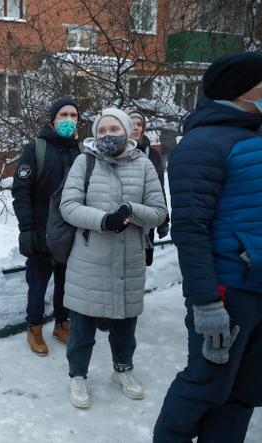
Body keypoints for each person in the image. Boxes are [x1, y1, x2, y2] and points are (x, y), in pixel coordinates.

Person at [154, 52, 262, 443]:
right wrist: (206, 303)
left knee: (246, 390)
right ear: (242, 90)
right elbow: (190, 228)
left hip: (257, 287)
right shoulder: (202, 144)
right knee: (206, 382)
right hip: (227, 290)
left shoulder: (254, 136)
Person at [59, 107, 166, 409]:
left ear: (127, 131)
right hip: (89, 259)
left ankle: (123, 369)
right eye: (102, 131)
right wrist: (104, 220)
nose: (108, 135)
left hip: (129, 259)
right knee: (82, 326)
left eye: (114, 129)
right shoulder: (85, 161)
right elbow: (69, 206)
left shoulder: (144, 164)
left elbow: (159, 212)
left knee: (125, 324)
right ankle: (78, 375)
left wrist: (131, 210)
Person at [11, 97, 82, 355]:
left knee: (66, 280)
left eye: (73, 116)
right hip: (41, 229)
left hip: (70, 230)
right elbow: (21, 191)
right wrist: (27, 228)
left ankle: (62, 323)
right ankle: (35, 327)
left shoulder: (80, 151)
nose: (69, 120)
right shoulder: (35, 149)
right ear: (53, 119)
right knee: (38, 283)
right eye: (63, 115)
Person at [127, 109, 170, 266]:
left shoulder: (152, 154)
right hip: (124, 218)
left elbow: (159, 187)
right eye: (132, 124)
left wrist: (164, 219)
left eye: (139, 124)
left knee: (141, 265)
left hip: (147, 218)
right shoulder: (118, 151)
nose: (136, 128)